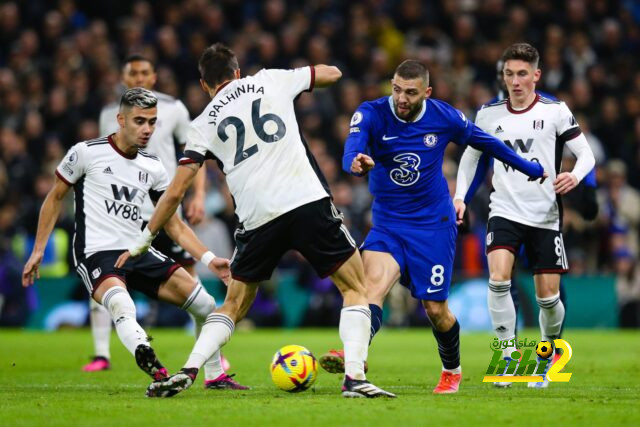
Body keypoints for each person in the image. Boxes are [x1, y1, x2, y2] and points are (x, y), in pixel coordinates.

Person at [118, 43, 396, 398]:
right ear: (236, 72)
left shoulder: (203, 123)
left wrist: (144, 238)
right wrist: (297, 80)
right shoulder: (269, 80)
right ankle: (355, 378)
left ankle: (189, 370)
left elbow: (174, 194)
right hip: (305, 200)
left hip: (256, 218)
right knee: (356, 288)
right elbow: (333, 73)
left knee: (232, 306)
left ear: (204, 85)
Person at [318, 59, 546, 394]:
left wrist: (525, 165)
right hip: (388, 223)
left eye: (410, 92)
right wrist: (354, 162)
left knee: (435, 310)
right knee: (370, 289)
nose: (401, 98)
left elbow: (485, 142)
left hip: (433, 225)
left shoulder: (444, 117)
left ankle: (452, 369)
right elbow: (352, 147)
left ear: (426, 92)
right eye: (396, 89)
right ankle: (354, 355)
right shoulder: (371, 113)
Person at [22, 88, 246, 390]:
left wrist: (208, 259)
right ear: (120, 119)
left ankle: (214, 375)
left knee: (205, 305)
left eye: (152, 122)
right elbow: (54, 198)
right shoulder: (86, 152)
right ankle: (147, 355)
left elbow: (174, 225)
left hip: (138, 250)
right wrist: (38, 249)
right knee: (122, 304)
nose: (147, 129)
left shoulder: (153, 166)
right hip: (97, 252)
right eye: (140, 121)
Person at [454, 43, 595, 388]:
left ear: (536, 76)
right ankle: (507, 356)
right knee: (498, 278)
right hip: (503, 210)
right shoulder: (487, 114)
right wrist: (459, 197)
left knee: (548, 298)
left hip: (545, 215)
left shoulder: (555, 111)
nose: (514, 82)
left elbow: (586, 155)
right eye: (508, 74)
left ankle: (546, 356)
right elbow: (471, 159)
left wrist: (573, 176)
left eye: (521, 74)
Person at [86, 55, 233, 379]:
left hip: (166, 208)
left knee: (192, 284)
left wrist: (195, 196)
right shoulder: (109, 115)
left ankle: (211, 359)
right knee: (105, 281)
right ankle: (101, 352)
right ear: (124, 77)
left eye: (144, 71)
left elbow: (196, 153)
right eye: (132, 72)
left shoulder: (175, 109)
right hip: (123, 215)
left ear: (154, 76)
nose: (138, 77)